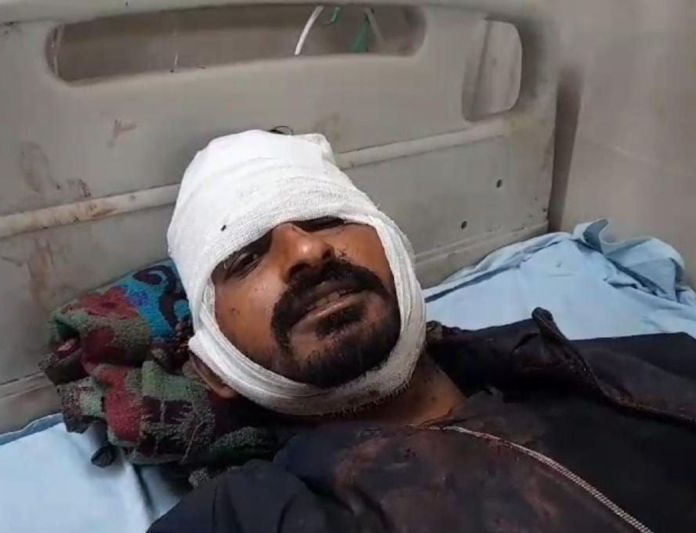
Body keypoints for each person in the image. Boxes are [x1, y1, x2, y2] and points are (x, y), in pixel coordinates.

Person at [150, 130, 696, 533]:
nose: (308, 250)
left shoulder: (625, 368)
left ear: (394, 248)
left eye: (326, 219)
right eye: (246, 258)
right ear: (213, 371)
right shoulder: (247, 515)